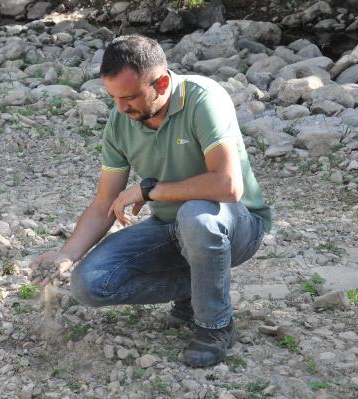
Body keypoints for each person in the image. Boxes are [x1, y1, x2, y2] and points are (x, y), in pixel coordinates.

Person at [30, 35, 271, 368]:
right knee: (88, 284)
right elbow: (104, 203)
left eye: (129, 98)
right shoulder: (121, 120)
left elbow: (228, 186)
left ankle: (215, 326)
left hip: (236, 224)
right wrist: (68, 254)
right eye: (113, 97)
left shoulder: (204, 99)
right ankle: (197, 291)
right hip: (170, 227)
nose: (120, 108)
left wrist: (148, 190)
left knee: (196, 217)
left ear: (160, 82)